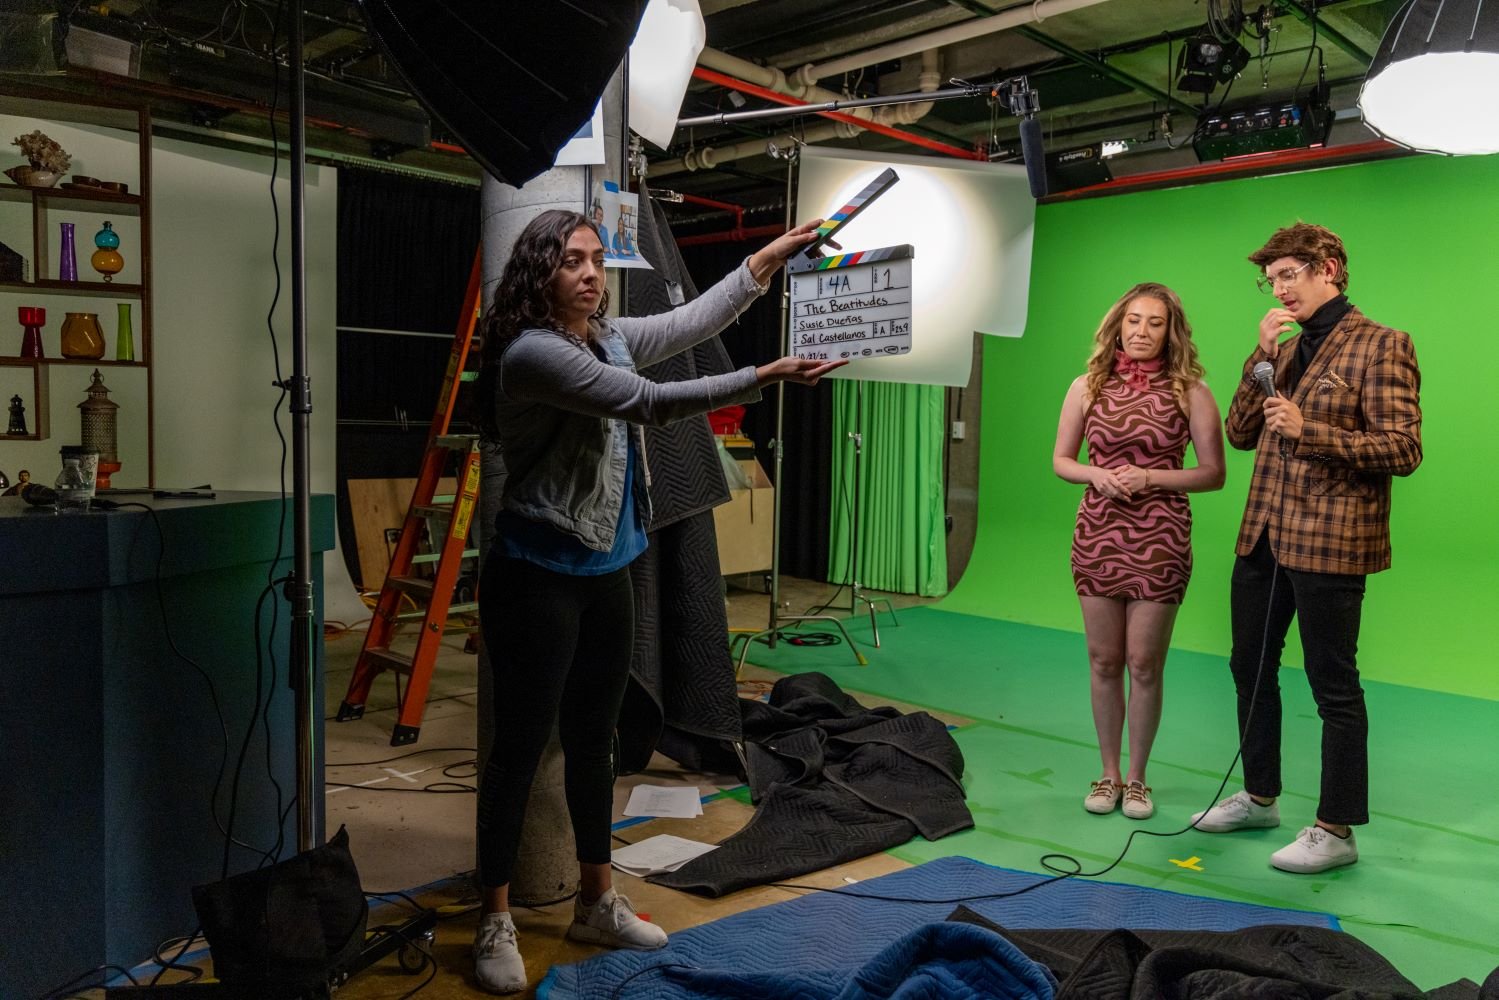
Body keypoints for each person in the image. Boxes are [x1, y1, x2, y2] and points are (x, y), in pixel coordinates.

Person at [468, 208, 844, 994]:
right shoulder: (532, 353)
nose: (589, 274)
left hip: (607, 568)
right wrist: (761, 377)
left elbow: (688, 321)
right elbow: (644, 401)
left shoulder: (603, 334)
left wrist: (767, 256)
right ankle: (494, 917)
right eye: (572, 260)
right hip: (536, 573)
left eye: (596, 261)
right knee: (521, 751)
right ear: (539, 270)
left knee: (596, 739)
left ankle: (596, 900)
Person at [1192, 223, 1421, 874]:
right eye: (1270, 280)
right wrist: (1256, 355)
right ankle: (1259, 795)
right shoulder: (1282, 351)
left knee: (1332, 686)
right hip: (1263, 534)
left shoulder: (1382, 345)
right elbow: (1239, 434)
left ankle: (1335, 829)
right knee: (1249, 667)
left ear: (1330, 270)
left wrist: (1310, 430)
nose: (1278, 289)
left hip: (1330, 542)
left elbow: (1402, 448)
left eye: (1288, 274)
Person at [1054, 283, 1225, 821]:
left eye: (1154, 322)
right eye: (1133, 320)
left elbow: (1213, 473)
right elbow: (1062, 460)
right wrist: (1097, 475)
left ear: (1170, 331)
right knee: (1104, 659)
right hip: (1099, 533)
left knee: (1144, 663)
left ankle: (1138, 780)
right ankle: (1107, 774)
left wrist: (1151, 476)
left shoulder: (1191, 391)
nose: (1141, 331)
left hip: (1161, 538)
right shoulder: (1086, 386)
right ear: (1118, 325)